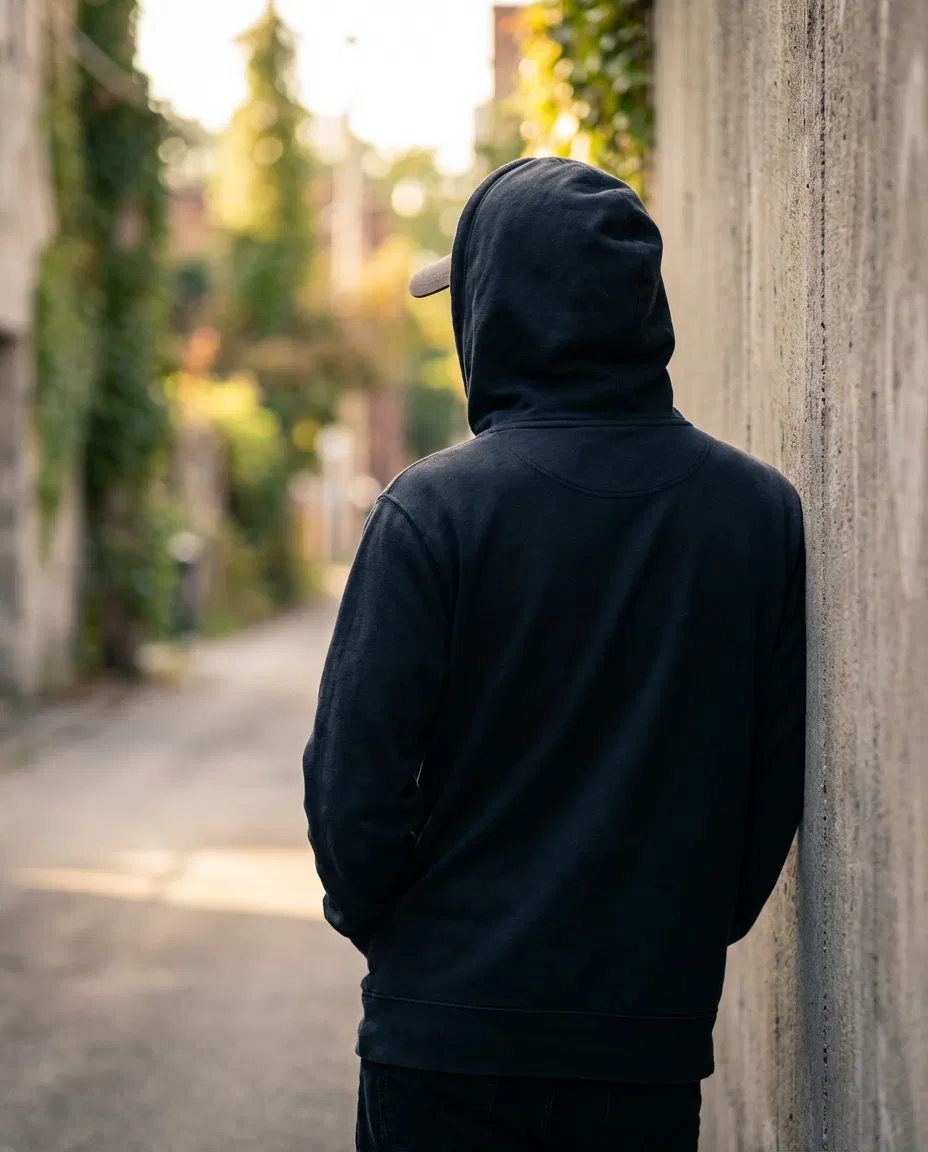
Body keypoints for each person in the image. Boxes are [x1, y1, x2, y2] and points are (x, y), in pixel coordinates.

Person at [303, 157, 806, 1152]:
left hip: (443, 1041)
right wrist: (663, 951)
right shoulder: (756, 514)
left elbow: (351, 792)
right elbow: (763, 801)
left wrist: (409, 942)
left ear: (493, 310)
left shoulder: (432, 510)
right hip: (643, 1046)